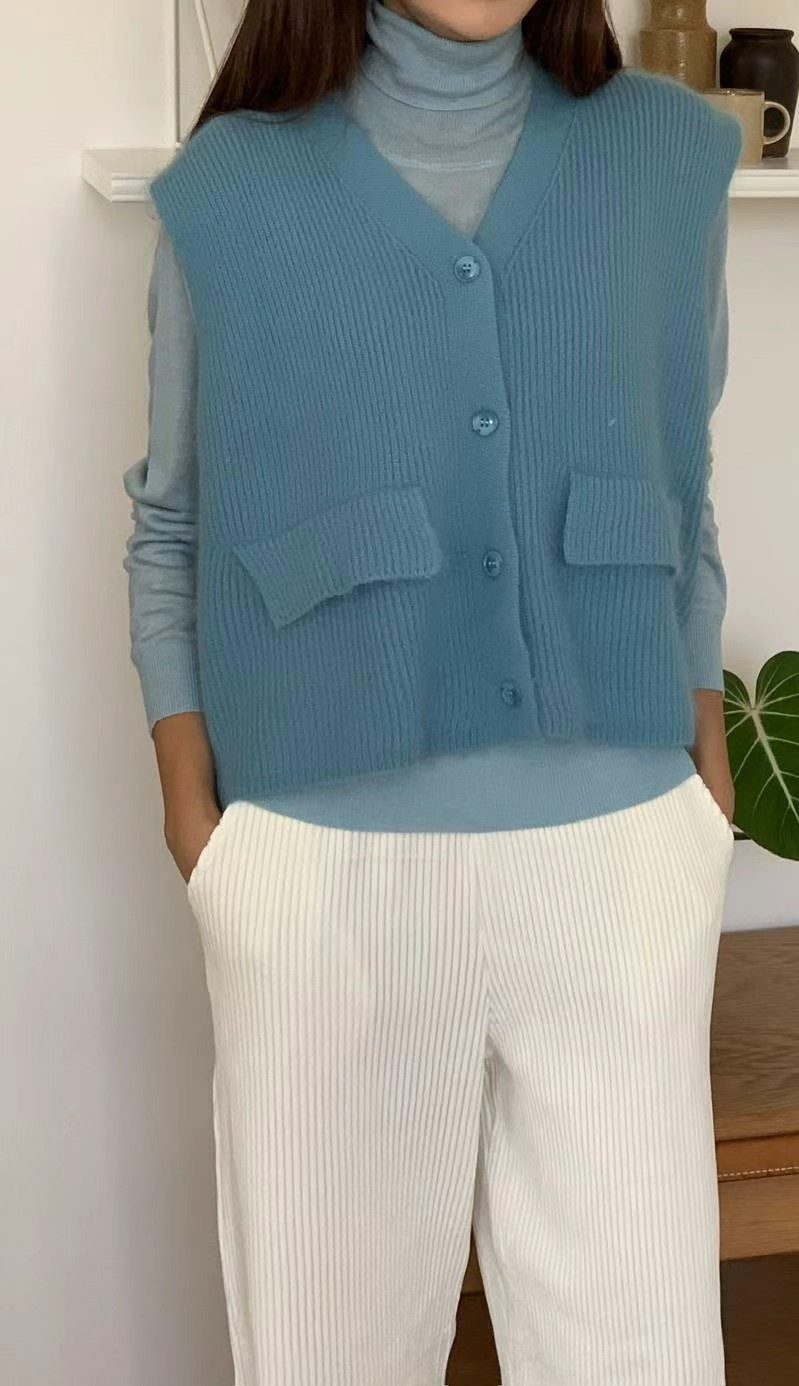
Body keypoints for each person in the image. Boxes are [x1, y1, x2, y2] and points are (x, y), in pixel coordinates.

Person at [121, 0, 742, 1381]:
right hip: (322, 881)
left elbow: (684, 485)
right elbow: (171, 524)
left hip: (622, 863)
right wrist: (198, 823)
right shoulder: (227, 192)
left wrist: (703, 774)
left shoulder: (668, 160)